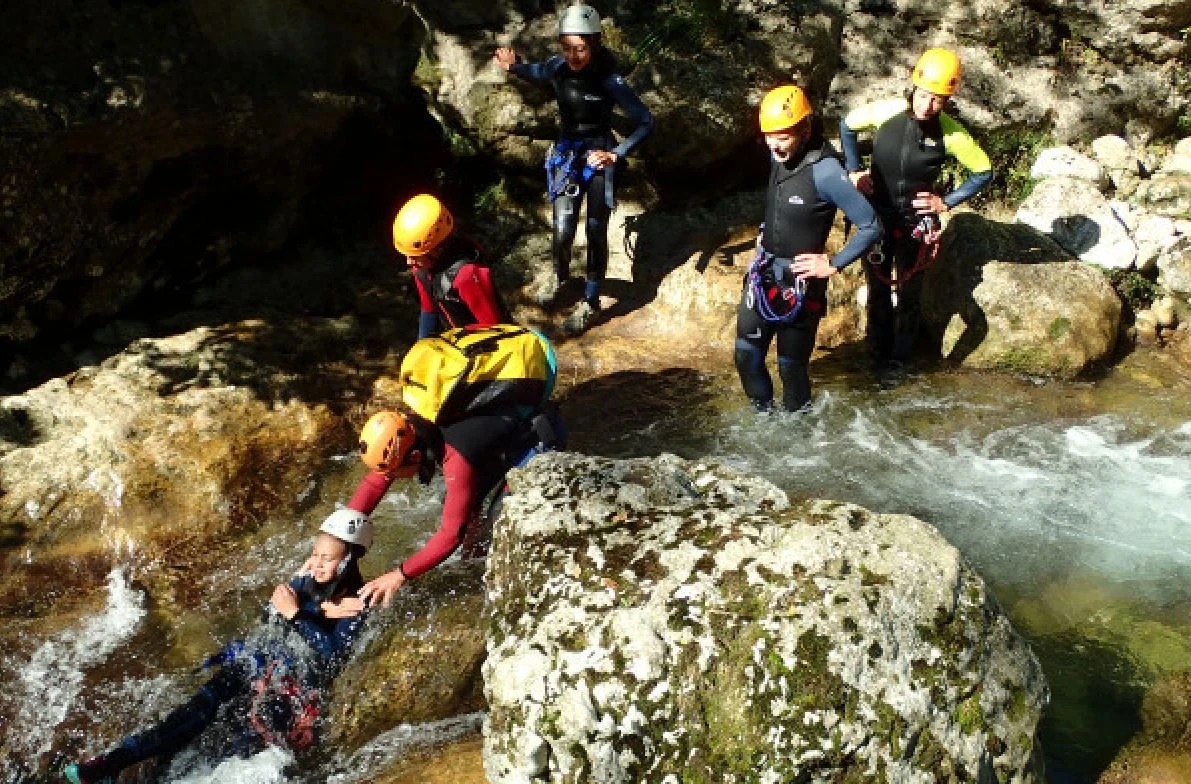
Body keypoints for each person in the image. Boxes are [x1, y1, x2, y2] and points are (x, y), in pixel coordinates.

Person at [64, 510, 373, 784]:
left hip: (292, 690)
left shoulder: (358, 601)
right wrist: (311, 607)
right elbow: (269, 617)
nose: (316, 564)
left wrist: (296, 613)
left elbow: (331, 654)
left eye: (327, 558)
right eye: (315, 554)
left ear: (347, 560)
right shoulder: (306, 581)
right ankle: (114, 763)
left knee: (242, 749)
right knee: (195, 710)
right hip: (260, 665)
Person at [839, 47, 993, 381]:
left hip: (915, 224)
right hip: (877, 218)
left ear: (947, 101)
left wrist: (945, 202)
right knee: (877, 289)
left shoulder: (951, 134)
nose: (927, 105)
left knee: (909, 295)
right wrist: (853, 171)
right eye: (924, 95)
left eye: (937, 100)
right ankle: (875, 353)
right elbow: (847, 127)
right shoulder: (887, 112)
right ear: (914, 86)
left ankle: (900, 361)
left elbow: (983, 172)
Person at [493, 3, 654, 312]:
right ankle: (561, 279)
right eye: (566, 48)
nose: (572, 56)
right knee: (563, 227)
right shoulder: (559, 67)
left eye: (579, 49)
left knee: (595, 229)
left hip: (598, 156)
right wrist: (513, 66)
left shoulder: (609, 79)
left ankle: (591, 300)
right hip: (567, 154)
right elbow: (539, 72)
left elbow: (646, 121)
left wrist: (616, 154)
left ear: (593, 43)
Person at [733, 85, 881, 413]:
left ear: (805, 129)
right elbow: (782, 203)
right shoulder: (779, 155)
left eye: (783, 136)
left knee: (791, 367)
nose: (774, 144)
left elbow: (871, 225)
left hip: (801, 281)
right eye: (769, 136)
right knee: (745, 355)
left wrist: (832, 264)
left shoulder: (826, 171)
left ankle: (798, 439)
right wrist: (764, 233)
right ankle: (764, 421)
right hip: (765, 272)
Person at [349, 404, 560, 608]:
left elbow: (451, 535)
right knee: (465, 514)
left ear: (415, 456)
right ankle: (474, 561)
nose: (389, 478)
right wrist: (341, 536)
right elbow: (374, 484)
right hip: (502, 436)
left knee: (502, 520)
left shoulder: (456, 460)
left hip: (536, 439)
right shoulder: (416, 420)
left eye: (393, 473)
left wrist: (399, 575)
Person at [392, 192, 511, 339]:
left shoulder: (466, 275)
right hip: (457, 343)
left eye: (415, 257)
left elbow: (495, 329)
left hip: (488, 344)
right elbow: (429, 311)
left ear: (437, 248)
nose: (409, 262)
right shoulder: (422, 270)